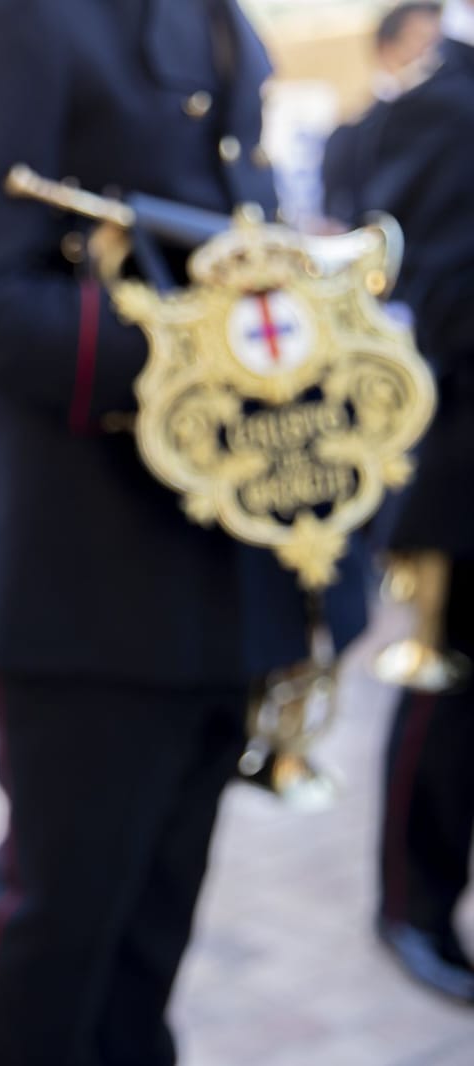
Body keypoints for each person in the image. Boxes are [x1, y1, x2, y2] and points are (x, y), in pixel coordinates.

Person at [0, 1, 368, 1063]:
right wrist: (230, 351)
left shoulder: (214, 17)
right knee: (63, 931)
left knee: (152, 928)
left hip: (216, 550)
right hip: (79, 567)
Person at [343, 0, 474, 1005]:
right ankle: (413, 905)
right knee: (451, 695)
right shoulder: (445, 104)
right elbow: (429, 291)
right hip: (466, 460)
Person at [320, 1, 441, 226]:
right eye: (420, 40)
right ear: (386, 49)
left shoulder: (453, 123)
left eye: (437, 43)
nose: (430, 54)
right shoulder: (352, 134)